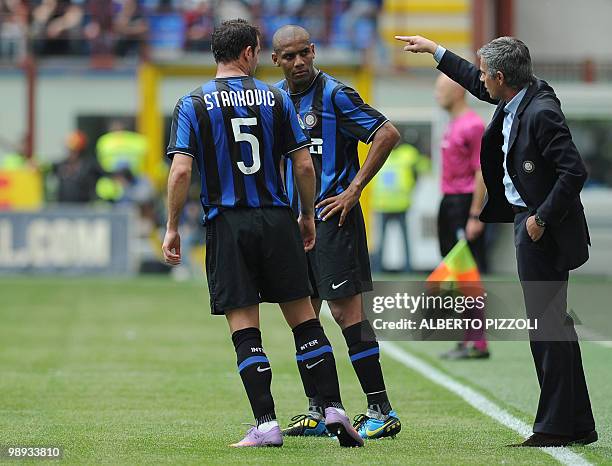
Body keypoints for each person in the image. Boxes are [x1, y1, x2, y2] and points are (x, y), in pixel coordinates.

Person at [162, 19, 363, 449]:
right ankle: (333, 409)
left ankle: (266, 424)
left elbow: (181, 170)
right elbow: (304, 164)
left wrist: (172, 227)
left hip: (228, 223)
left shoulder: (192, 103)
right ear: (250, 53)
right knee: (305, 319)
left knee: (244, 327)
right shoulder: (276, 98)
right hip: (277, 218)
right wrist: (307, 216)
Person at [396, 34, 597, 447]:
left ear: (502, 77)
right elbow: (472, 77)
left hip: (542, 230)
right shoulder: (518, 95)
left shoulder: (540, 111)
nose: (480, 81)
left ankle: (555, 427)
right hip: (532, 224)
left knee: (546, 328)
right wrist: (435, 51)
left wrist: (539, 218)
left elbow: (574, 172)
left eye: (487, 74)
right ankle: (577, 424)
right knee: (553, 325)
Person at [272, 24, 402, 440]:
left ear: (313, 51)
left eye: (303, 54)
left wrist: (354, 189)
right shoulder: (272, 99)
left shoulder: (336, 95)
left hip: (333, 219)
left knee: (348, 313)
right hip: (292, 224)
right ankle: (320, 409)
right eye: (288, 57)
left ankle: (381, 408)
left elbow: (387, 133)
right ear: (275, 60)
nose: (297, 63)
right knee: (303, 317)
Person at [434, 73, 490, 360]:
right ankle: (466, 337)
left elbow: (481, 171)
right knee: (454, 273)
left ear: (457, 91)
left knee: (468, 274)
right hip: (449, 203)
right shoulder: (453, 124)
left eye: (441, 89)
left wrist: (475, 214)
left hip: (465, 204)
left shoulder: (473, 125)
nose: (436, 94)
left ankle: (478, 343)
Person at [371, 140, 429, 273]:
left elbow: (423, 165)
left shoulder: (407, 154)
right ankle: (378, 270)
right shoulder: (381, 153)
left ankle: (407, 269)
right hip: (383, 205)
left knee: (404, 240)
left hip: (400, 204)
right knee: (382, 241)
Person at [52, 130, 105, 203]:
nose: (71, 154)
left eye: (75, 151)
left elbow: (106, 176)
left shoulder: (90, 165)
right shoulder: (61, 165)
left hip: (83, 208)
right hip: (63, 208)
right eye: (69, 150)